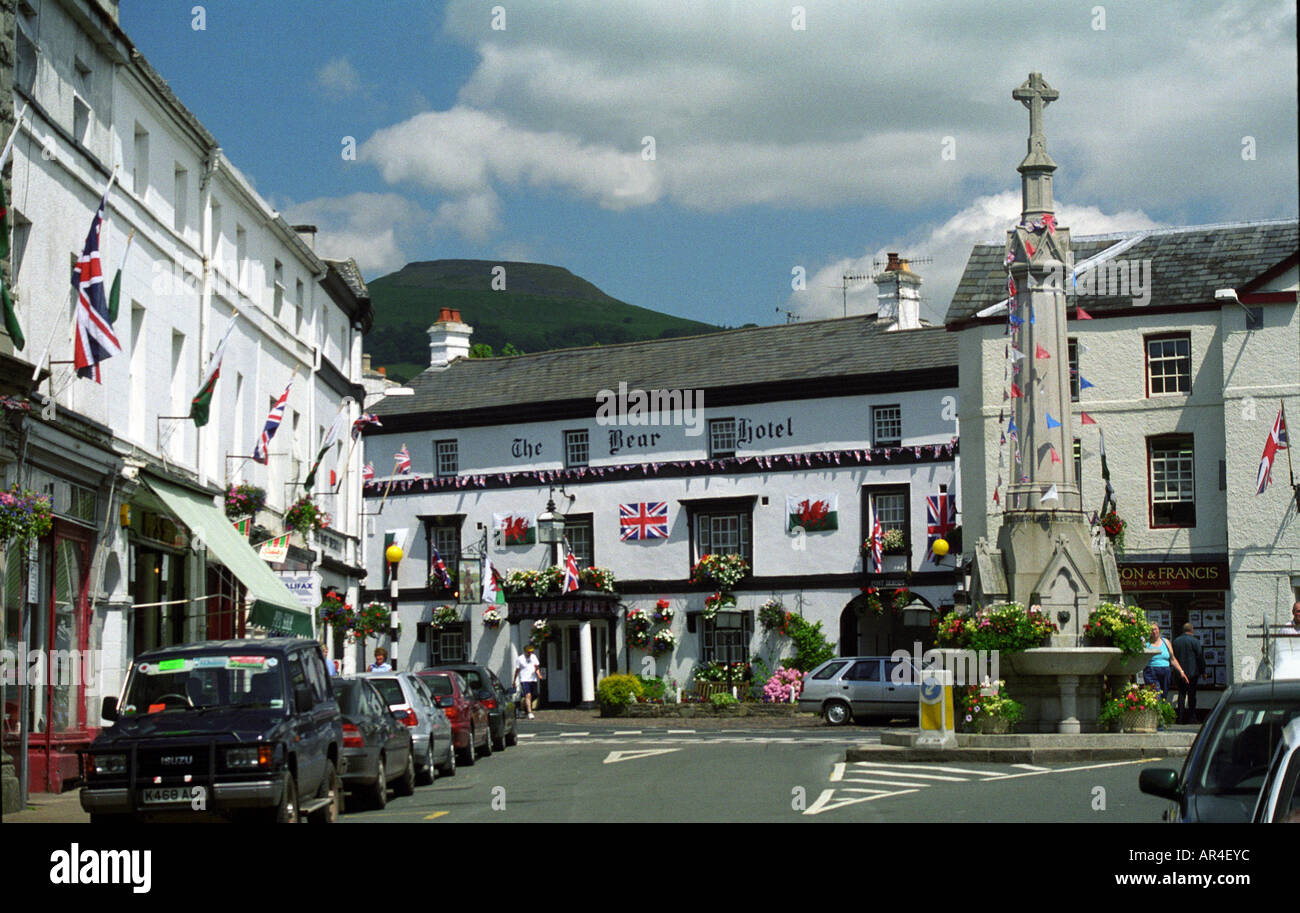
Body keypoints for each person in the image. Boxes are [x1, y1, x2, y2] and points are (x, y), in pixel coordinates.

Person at [1142, 623, 1187, 724]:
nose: (1154, 632)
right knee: (1156, 695)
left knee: (1163, 696)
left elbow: (1172, 658)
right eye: (1151, 630)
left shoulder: (1165, 642)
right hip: (1151, 671)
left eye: (1155, 629)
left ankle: (1160, 718)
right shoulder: (1147, 643)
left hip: (1165, 671)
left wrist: (1181, 671)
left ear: (1159, 630)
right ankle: (1157, 722)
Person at [1172, 622, 1204, 725]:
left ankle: (1180, 718)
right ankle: (1192, 718)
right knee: (1192, 695)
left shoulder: (1176, 641)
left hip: (1180, 673)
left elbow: (1173, 657)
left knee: (1181, 695)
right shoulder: (1195, 641)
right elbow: (1199, 656)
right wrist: (1203, 671)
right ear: (1192, 630)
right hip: (1192, 673)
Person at [513, 644, 541, 720]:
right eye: (528, 652)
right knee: (528, 695)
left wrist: (538, 674)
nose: (530, 653)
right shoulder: (520, 659)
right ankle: (530, 713)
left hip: (533, 679)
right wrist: (514, 680)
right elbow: (517, 670)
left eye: (531, 652)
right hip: (524, 680)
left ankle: (526, 706)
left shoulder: (534, 657)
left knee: (534, 695)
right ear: (525, 651)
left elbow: (537, 667)